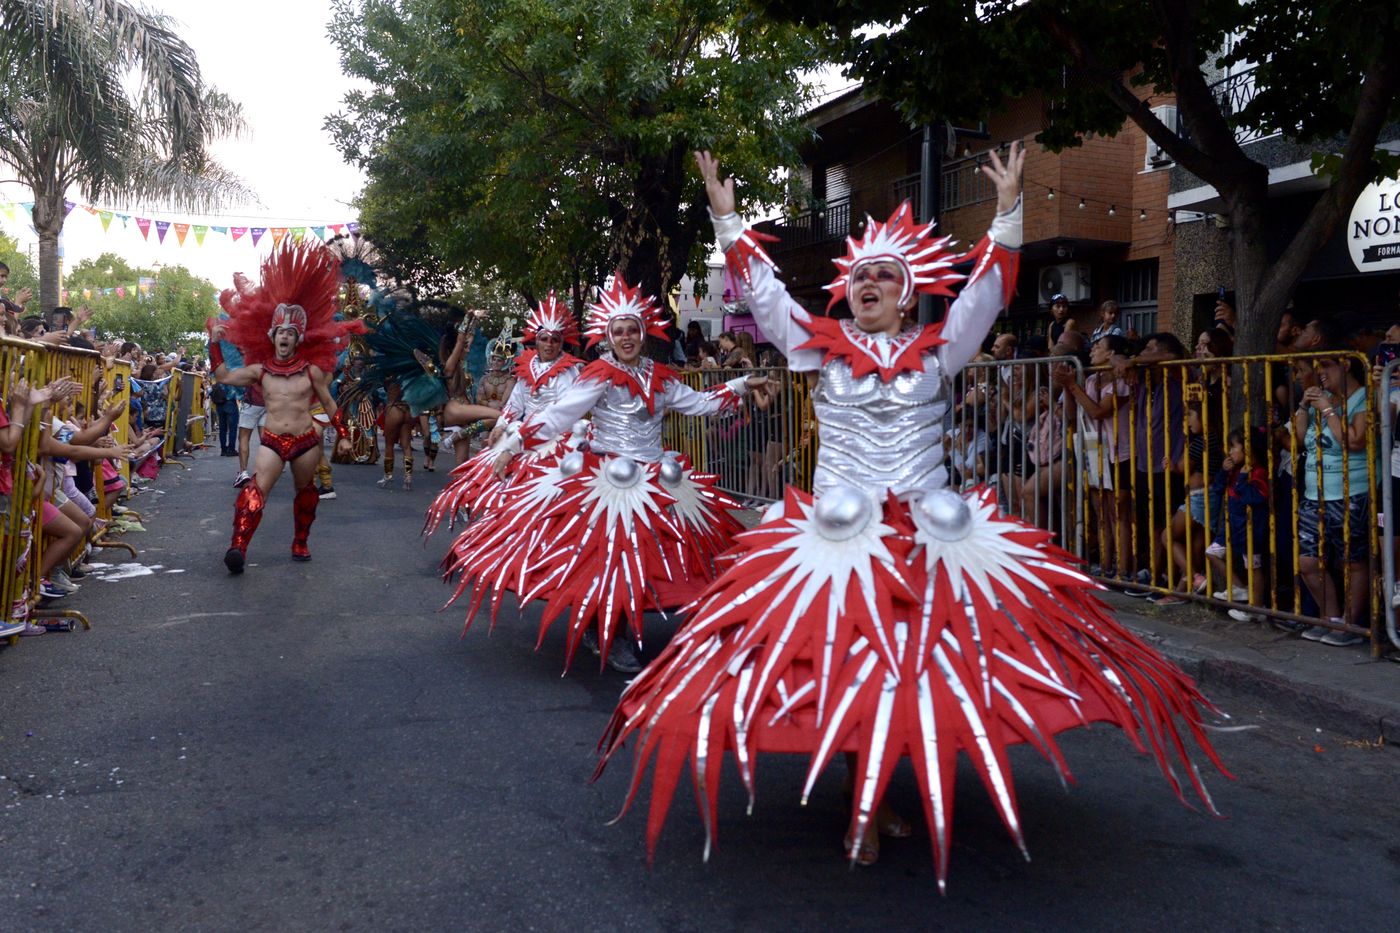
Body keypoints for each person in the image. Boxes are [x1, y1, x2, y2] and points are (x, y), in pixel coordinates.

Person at [597, 147, 1224, 881]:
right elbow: (764, 296)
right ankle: (862, 808)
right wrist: (726, 217)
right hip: (835, 545)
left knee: (921, 675)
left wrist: (1009, 210)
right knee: (843, 673)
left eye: (883, 276)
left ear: (906, 293)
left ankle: (883, 793)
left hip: (931, 546)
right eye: (859, 274)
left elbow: (986, 294)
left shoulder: (938, 352)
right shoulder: (818, 350)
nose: (868, 283)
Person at [442, 274, 768, 674]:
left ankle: (624, 626)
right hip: (608, 480)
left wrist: (739, 384)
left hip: (653, 479)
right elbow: (557, 416)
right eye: (619, 331)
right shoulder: (598, 373)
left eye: (633, 330)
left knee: (653, 558)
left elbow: (700, 403)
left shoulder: (658, 375)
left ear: (643, 333)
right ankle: (608, 632)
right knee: (611, 559)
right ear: (608, 336)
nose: (626, 337)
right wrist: (511, 445)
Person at [209, 243, 363, 573]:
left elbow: (328, 402)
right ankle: (238, 546)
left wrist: (343, 435)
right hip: (273, 442)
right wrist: (213, 344)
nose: (284, 338)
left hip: (307, 441)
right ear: (272, 335)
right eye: (280, 332)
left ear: (297, 339)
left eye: (290, 334)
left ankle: (301, 540)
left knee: (305, 491)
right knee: (255, 490)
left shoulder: (311, 372)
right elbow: (222, 376)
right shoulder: (260, 371)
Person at [425, 293, 583, 535]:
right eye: (544, 338)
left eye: (555, 339)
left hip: (555, 444)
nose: (549, 344)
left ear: (562, 343)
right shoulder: (526, 369)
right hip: (520, 439)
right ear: (536, 340)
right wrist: (501, 425)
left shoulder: (570, 372)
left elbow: (566, 412)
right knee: (497, 488)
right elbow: (515, 405)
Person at [1292, 353, 1370, 646]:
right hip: (1315, 494)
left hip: (1352, 491)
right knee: (1308, 562)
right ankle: (1331, 618)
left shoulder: (1364, 398)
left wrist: (1327, 410)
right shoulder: (1322, 398)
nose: (1319, 373)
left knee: (1353, 561)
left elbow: (1354, 440)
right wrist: (1304, 405)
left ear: (1345, 364)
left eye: (1325, 366)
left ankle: (1349, 624)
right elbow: (1301, 440)